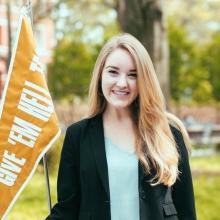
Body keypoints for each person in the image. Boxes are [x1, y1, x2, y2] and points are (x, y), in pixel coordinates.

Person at [46, 33, 197, 220]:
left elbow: (186, 211)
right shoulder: (78, 136)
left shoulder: (168, 134)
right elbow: (67, 210)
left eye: (133, 75)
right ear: (100, 74)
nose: (122, 83)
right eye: (113, 72)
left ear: (144, 81)